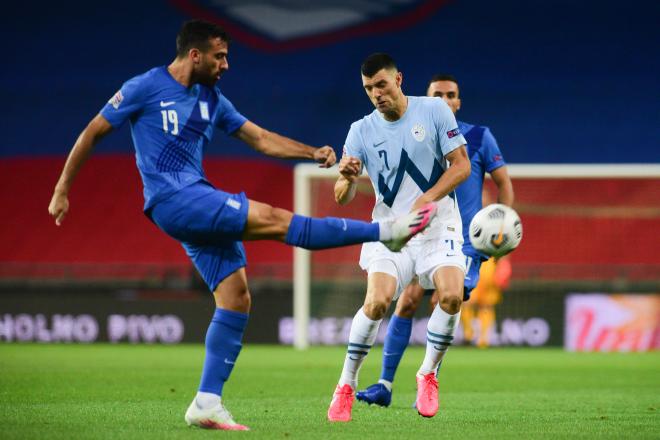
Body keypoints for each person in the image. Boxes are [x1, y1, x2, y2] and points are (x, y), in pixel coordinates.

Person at [47, 21, 437, 432]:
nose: (226, 65)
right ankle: (384, 232)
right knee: (275, 219)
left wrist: (313, 153)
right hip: (175, 199)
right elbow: (94, 130)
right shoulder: (146, 87)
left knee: (236, 297)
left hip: (194, 202)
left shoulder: (211, 99)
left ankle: (206, 402)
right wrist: (62, 188)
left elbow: (261, 139)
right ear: (194, 55)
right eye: (220, 56)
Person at [355, 74, 514, 412]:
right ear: (426, 100)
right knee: (407, 301)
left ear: (458, 101)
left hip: (466, 240)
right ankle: (384, 384)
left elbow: (503, 182)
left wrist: (504, 224)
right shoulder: (418, 131)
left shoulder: (479, 137)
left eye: (450, 94)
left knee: (446, 298)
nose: (444, 99)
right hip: (421, 233)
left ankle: (426, 383)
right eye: (436, 94)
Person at [326, 55, 471, 422]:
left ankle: (427, 374)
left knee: (453, 296)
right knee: (376, 304)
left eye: (382, 85)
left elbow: (462, 165)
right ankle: (345, 383)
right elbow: (341, 195)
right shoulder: (360, 130)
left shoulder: (435, 110)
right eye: (369, 89)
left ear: (399, 79)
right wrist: (345, 176)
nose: (376, 94)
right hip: (391, 231)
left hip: (438, 225)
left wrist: (428, 198)